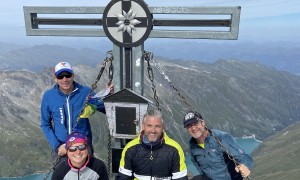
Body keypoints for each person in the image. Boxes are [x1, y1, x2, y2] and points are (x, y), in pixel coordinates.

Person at [40, 61, 113, 162]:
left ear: (73, 76)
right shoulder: (49, 96)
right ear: (55, 79)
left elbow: (106, 109)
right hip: (62, 149)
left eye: (67, 75)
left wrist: (110, 97)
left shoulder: (85, 92)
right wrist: (57, 146)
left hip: (83, 147)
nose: (64, 79)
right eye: (60, 76)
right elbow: (45, 124)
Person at [117, 109, 188, 180]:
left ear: (163, 127)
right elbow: (123, 177)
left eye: (157, 126)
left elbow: (180, 178)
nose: (153, 130)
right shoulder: (130, 148)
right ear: (143, 126)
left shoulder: (175, 149)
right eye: (149, 125)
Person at [183, 111, 253, 180]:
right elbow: (197, 164)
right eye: (189, 126)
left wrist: (246, 166)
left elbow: (243, 156)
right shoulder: (192, 145)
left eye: (196, 123)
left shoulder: (221, 138)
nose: (193, 128)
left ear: (203, 123)